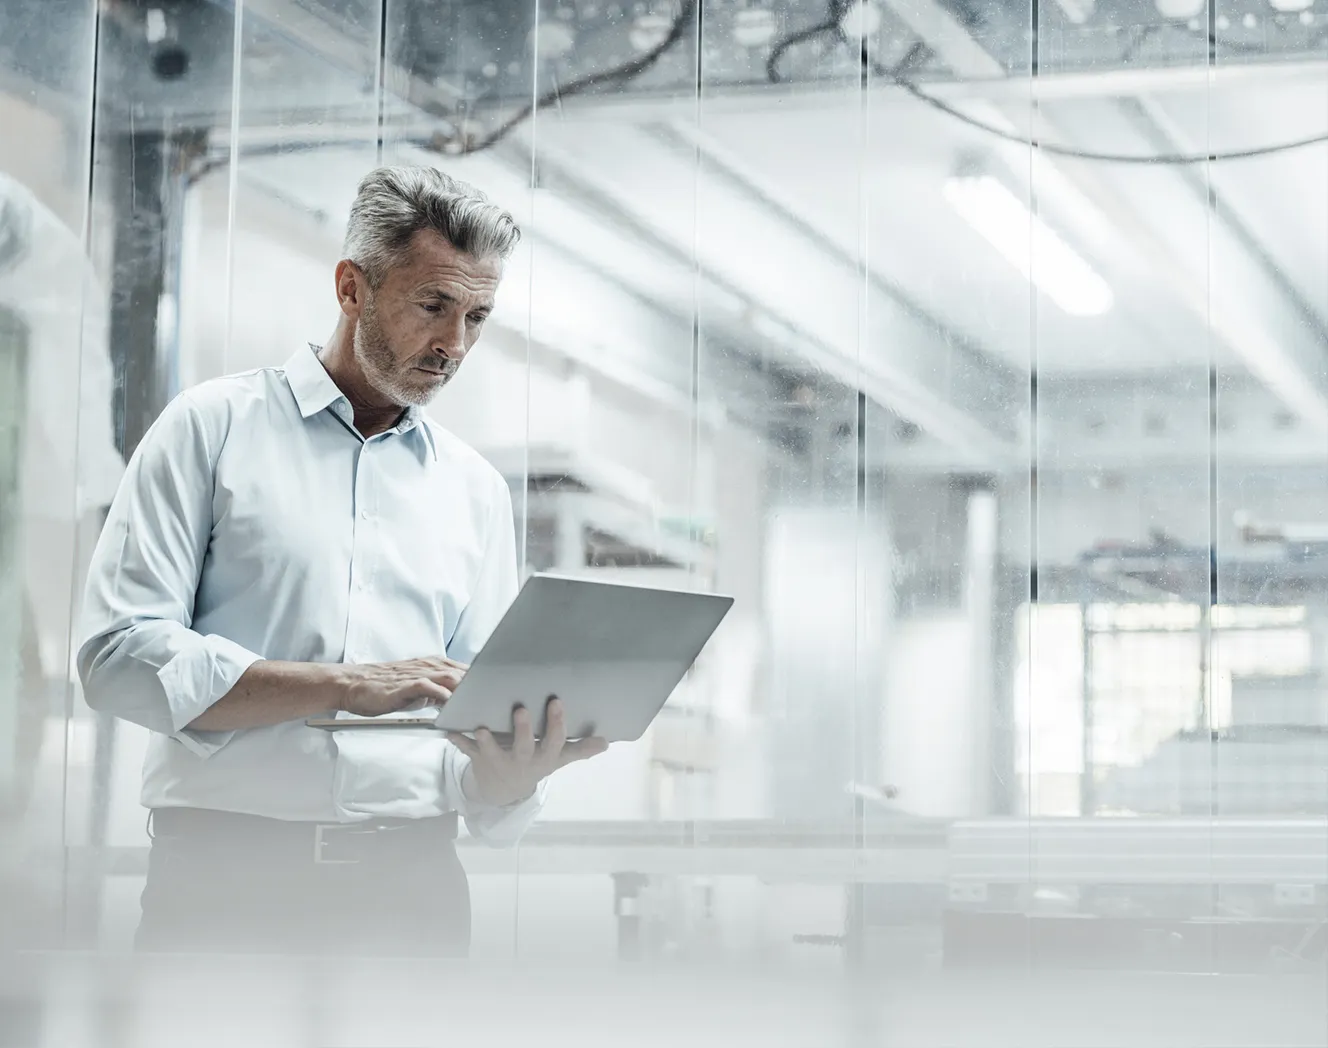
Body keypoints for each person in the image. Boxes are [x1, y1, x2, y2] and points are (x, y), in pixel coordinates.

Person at [76, 166, 608, 956]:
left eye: (478, 316)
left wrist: (510, 775)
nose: (453, 345)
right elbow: (117, 659)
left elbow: (469, 733)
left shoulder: (475, 490)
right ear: (351, 287)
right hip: (225, 890)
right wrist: (344, 686)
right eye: (433, 305)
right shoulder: (210, 429)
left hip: (412, 895)